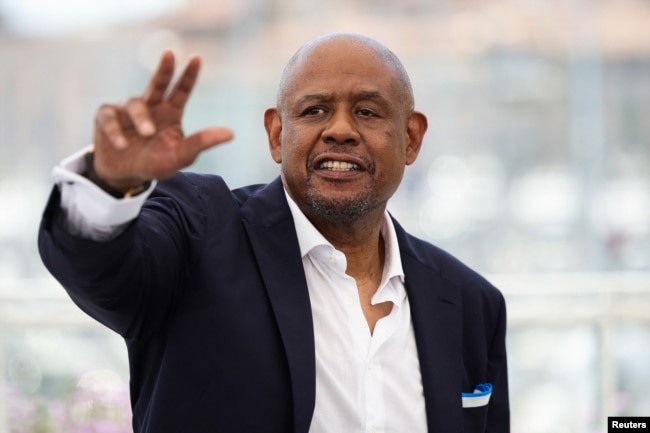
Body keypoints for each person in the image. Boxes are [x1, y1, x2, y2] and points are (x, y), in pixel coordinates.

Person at [38, 32, 509, 433]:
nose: (340, 130)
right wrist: (110, 184)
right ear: (274, 134)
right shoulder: (199, 233)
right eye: (315, 111)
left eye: (367, 112)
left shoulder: (471, 302)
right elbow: (101, 267)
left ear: (411, 138)